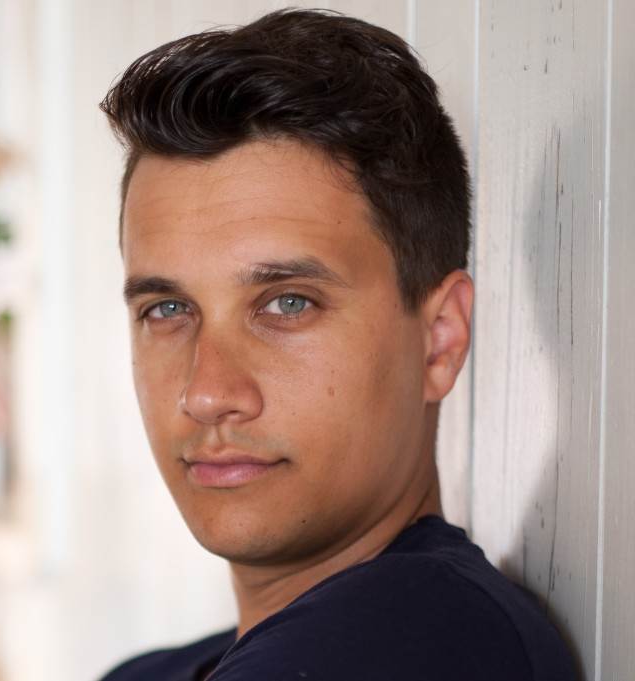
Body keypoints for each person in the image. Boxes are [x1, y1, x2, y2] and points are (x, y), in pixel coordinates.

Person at [95, 8, 577, 681]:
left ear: (439, 340)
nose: (206, 393)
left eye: (288, 303)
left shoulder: (427, 637)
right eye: (168, 308)